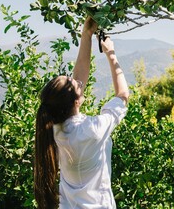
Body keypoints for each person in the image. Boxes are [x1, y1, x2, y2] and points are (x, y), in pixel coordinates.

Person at [34, 17, 129, 209]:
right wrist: (111, 55)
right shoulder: (91, 130)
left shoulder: (54, 128)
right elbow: (123, 96)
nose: (77, 80)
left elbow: (78, 79)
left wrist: (86, 35)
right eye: (75, 84)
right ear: (76, 101)